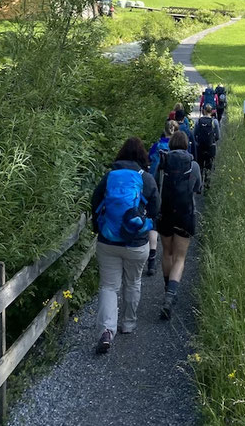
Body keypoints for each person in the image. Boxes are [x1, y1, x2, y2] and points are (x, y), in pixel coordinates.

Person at [91, 137, 160, 353]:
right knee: (133, 282)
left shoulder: (109, 177)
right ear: (142, 157)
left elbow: (95, 203)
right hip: (137, 243)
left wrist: (98, 228)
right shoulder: (146, 179)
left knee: (109, 286)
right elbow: (156, 209)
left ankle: (106, 331)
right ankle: (128, 324)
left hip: (108, 240)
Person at [157, 130, 201, 320]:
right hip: (185, 215)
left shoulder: (163, 162)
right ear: (186, 145)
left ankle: (168, 290)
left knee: (167, 252)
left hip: (165, 213)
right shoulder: (193, 165)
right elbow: (198, 189)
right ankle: (170, 296)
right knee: (180, 257)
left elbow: (157, 186)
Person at [146, 120, 179, 276]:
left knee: (153, 221)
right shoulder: (177, 150)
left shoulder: (156, 146)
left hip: (155, 188)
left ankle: (152, 257)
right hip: (171, 191)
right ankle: (171, 257)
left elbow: (148, 162)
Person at [193, 105, 220, 188]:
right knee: (209, 165)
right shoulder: (214, 122)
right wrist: (213, 140)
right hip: (210, 147)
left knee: (200, 165)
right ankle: (207, 183)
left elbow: (194, 134)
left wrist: (198, 142)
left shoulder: (198, 121)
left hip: (200, 147)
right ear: (211, 111)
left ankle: (199, 185)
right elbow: (218, 136)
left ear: (204, 111)